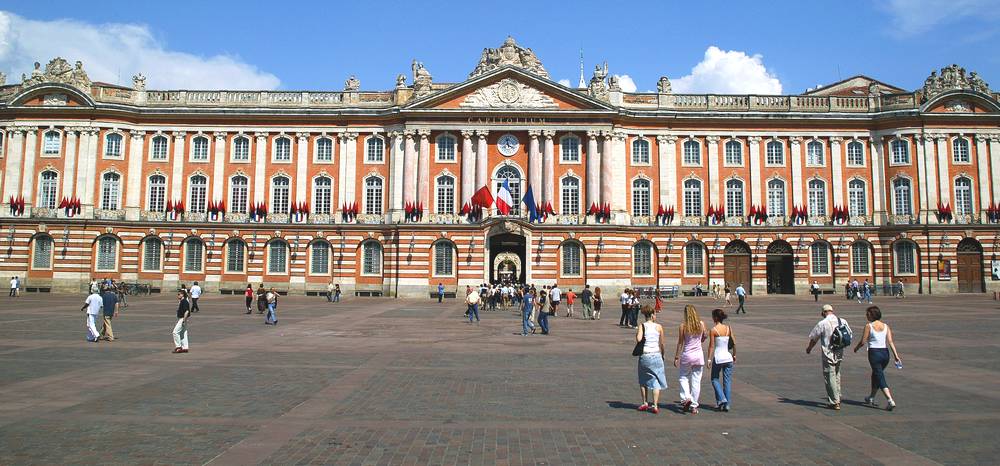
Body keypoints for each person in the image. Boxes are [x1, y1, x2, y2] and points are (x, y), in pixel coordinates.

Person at [853, 306, 900, 411]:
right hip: (885, 354)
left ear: (872, 314)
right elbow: (890, 341)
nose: (866, 315)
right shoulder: (886, 326)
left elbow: (863, 341)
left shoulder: (869, 326)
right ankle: (871, 397)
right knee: (876, 374)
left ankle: (890, 400)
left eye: (868, 313)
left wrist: (856, 348)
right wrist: (896, 356)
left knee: (879, 376)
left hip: (874, 353)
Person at [807, 304, 851, 410]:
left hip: (828, 353)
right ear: (832, 311)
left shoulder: (822, 323)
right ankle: (838, 394)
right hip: (840, 351)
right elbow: (849, 335)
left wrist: (809, 348)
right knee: (837, 373)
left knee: (829, 375)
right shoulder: (842, 321)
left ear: (823, 313)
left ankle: (834, 401)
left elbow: (814, 338)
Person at [674, 304, 707, 414]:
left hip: (687, 355)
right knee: (696, 380)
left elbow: (680, 342)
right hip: (698, 355)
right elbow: (704, 337)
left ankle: (686, 398)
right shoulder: (701, 324)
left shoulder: (683, 326)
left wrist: (676, 357)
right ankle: (694, 405)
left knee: (683, 377)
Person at [636, 304, 667, 414]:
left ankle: (645, 402)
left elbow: (639, 339)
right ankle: (655, 405)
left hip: (645, 355)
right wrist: (663, 354)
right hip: (656, 354)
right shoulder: (659, 327)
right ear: (652, 315)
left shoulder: (642, 326)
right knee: (656, 380)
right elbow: (662, 343)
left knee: (643, 379)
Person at [706, 309, 735, 411]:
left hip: (718, 358)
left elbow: (711, 346)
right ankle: (725, 404)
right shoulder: (728, 328)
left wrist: (709, 359)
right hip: (728, 357)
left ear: (716, 318)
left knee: (714, 379)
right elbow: (734, 342)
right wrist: (734, 355)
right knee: (727, 382)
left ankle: (722, 399)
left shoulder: (713, 330)